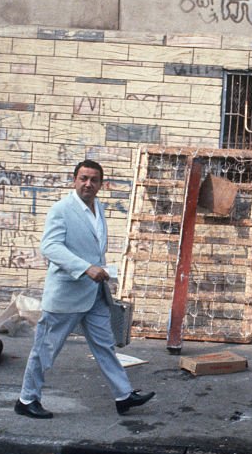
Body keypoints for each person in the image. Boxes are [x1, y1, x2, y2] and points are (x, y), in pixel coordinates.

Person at [15, 160, 155, 418]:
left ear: (101, 184)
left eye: (94, 180)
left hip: (95, 295)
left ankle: (123, 395)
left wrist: (100, 270)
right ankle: (26, 400)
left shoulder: (97, 207)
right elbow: (50, 247)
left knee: (105, 346)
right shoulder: (62, 209)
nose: (88, 184)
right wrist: (85, 268)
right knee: (45, 349)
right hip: (66, 296)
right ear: (74, 180)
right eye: (83, 178)